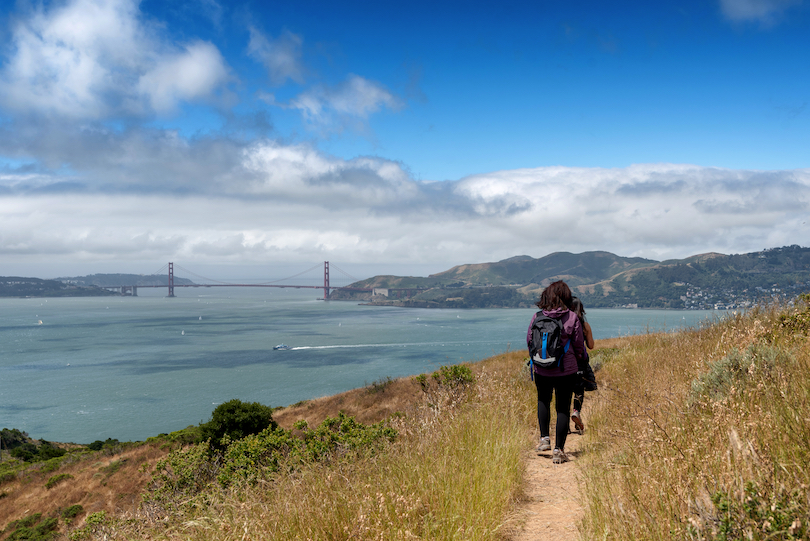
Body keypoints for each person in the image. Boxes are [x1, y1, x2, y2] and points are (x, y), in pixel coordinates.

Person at [526, 280, 586, 464]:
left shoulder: (537, 317)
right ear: (566, 297)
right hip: (565, 370)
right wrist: (578, 360)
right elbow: (579, 346)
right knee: (562, 407)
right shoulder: (571, 318)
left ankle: (544, 439)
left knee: (543, 400)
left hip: (541, 368)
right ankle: (559, 451)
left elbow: (529, 341)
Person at [570, 297, 595, 434]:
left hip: (564, 363)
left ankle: (564, 426)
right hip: (580, 363)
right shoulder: (584, 325)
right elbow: (591, 346)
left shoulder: (562, 323)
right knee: (579, 390)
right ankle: (576, 412)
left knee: (565, 391)